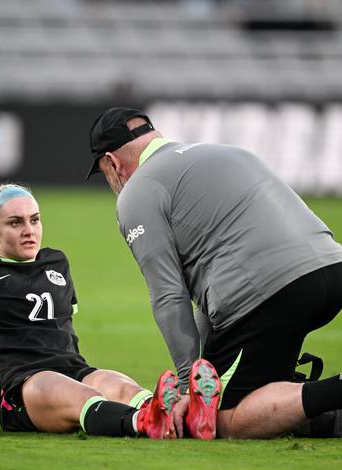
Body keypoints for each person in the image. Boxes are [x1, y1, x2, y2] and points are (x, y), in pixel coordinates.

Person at [85, 107, 342, 439]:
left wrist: (183, 385)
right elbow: (209, 297)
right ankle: (326, 415)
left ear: (113, 163)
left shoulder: (137, 192)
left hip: (268, 295)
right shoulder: (226, 152)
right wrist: (207, 369)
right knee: (246, 385)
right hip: (331, 267)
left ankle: (335, 390)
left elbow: (168, 294)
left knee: (226, 418)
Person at [0, 181, 220, 439]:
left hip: (73, 368)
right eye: (15, 223)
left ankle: (178, 415)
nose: (29, 231)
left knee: (115, 383)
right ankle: (142, 422)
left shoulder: (56, 261)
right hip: (21, 387)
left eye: (35, 220)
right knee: (83, 394)